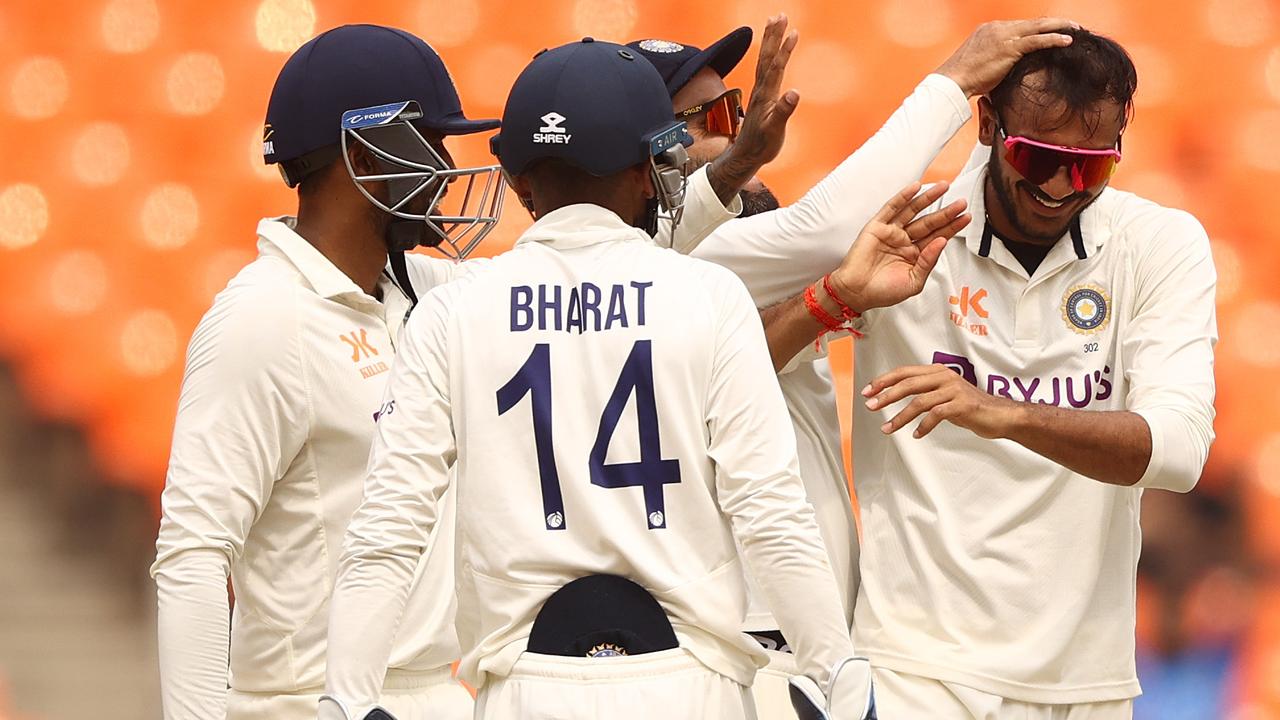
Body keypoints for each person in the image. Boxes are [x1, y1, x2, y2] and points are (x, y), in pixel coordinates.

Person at [151, 17, 807, 720]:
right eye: (432, 143)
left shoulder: (426, 296)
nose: (445, 170)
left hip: (440, 693)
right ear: (366, 156)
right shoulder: (262, 322)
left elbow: (595, 263)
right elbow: (192, 557)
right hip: (306, 704)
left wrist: (729, 171)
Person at [318, 26, 966, 719]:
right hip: (694, 685)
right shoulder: (708, 297)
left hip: (524, 690)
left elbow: (387, 534)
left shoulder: (451, 312)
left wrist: (347, 699)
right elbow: (771, 516)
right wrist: (835, 669)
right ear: (648, 166)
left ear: (517, 180)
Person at [628, 18, 1077, 718]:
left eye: (737, 109)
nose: (746, 131)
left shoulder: (711, 248)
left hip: (789, 645)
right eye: (716, 118)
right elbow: (830, 229)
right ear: (647, 151)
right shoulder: (659, 255)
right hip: (746, 647)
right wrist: (954, 83)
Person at [847, 28, 1215, 717]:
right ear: (987, 123)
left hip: (1087, 681)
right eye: (1036, 155)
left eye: (1089, 167)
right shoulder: (901, 226)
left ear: (1121, 145)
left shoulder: (1159, 244)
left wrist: (999, 411)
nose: (1056, 185)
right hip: (912, 669)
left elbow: (1179, 451)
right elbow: (733, 312)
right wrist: (835, 299)